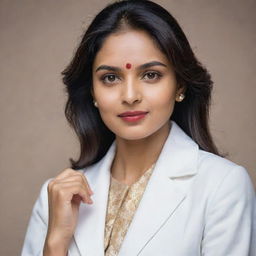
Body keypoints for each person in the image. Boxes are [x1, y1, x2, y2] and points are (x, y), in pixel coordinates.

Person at [21, 0, 255, 255]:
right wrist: (55, 243)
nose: (130, 96)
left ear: (180, 85)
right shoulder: (55, 196)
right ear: (93, 92)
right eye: (110, 78)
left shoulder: (221, 186)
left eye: (151, 75)